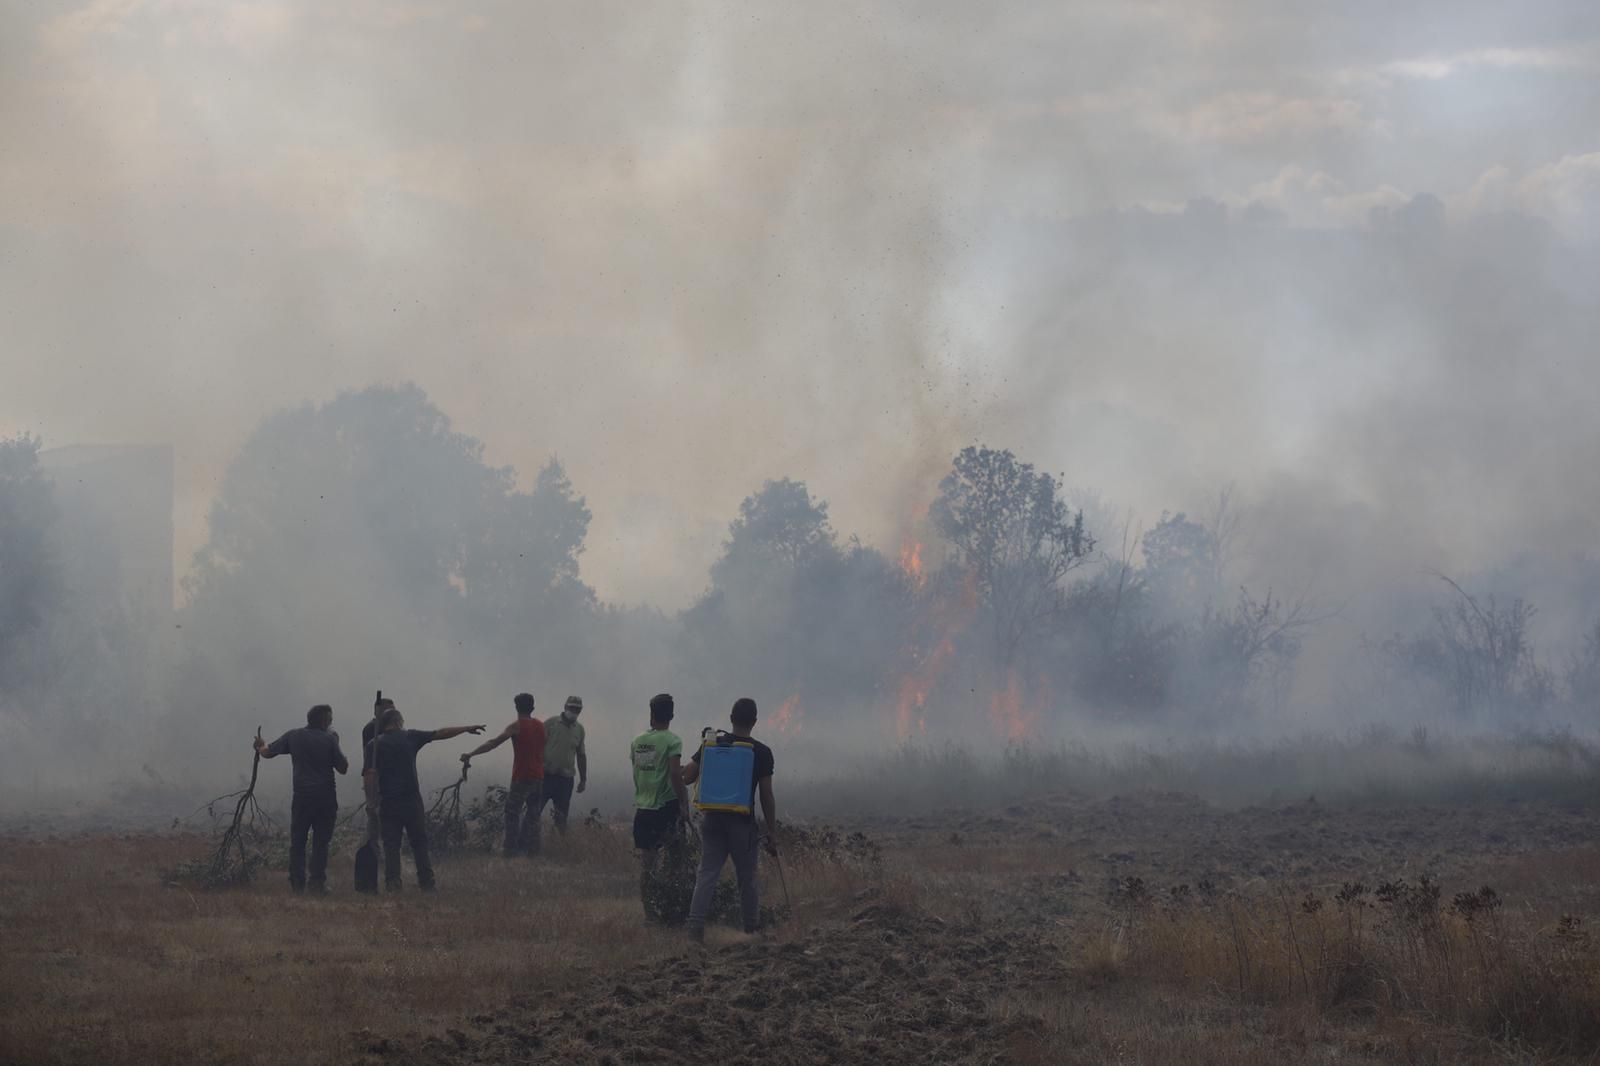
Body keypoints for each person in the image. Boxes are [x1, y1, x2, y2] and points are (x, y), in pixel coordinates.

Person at [682, 697, 777, 940]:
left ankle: (694, 929)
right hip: (742, 824)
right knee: (747, 877)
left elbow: (688, 776)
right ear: (754, 722)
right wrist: (772, 833)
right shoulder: (762, 752)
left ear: (731, 719)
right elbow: (766, 795)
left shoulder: (713, 744)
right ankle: (751, 928)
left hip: (712, 819)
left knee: (707, 874)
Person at [368, 703, 485, 890]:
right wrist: (465, 729)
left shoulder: (374, 744)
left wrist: (371, 801)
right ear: (398, 722)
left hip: (388, 801)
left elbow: (371, 775)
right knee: (419, 841)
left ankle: (393, 883)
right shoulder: (410, 737)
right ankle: (427, 882)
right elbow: (440, 733)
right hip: (411, 800)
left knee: (391, 844)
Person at [254, 704, 349, 895]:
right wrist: (336, 742)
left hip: (302, 798)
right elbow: (343, 768)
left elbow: (267, 753)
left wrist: (260, 745)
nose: (331, 722)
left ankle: (297, 884)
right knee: (321, 842)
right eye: (330, 719)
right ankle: (317, 884)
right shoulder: (330, 739)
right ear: (324, 721)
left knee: (298, 841)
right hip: (325, 799)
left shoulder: (294, 735)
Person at [460, 693, 546, 856]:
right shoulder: (541, 727)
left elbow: (493, 743)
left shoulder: (516, 726)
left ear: (516, 707)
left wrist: (471, 754)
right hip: (539, 777)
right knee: (534, 816)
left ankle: (510, 851)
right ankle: (534, 852)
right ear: (532, 707)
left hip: (522, 777)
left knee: (512, 813)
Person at [631, 692, 690, 919]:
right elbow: (674, 773)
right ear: (672, 715)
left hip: (644, 809)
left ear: (651, 714)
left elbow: (649, 769)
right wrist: (683, 803)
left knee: (648, 866)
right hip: (667, 808)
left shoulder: (638, 741)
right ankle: (673, 907)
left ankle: (650, 912)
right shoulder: (673, 740)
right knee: (676, 860)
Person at [538, 696, 587, 834]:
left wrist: (583, 779)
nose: (574, 711)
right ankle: (526, 846)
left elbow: (581, 755)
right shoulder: (551, 723)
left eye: (577, 709)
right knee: (534, 811)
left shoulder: (580, 729)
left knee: (561, 817)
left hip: (565, 780)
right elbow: (536, 745)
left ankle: (558, 847)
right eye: (572, 708)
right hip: (545, 776)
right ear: (565, 707)